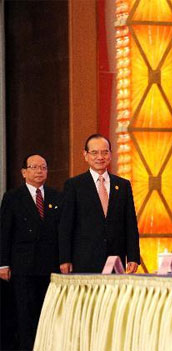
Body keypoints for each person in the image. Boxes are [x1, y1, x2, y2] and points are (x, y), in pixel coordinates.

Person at [0, 154, 61, 351]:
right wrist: (3, 264)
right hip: (23, 267)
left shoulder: (56, 196)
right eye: (33, 167)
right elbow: (4, 232)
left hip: (49, 267)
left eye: (43, 167)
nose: (39, 171)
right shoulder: (12, 197)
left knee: (48, 315)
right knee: (25, 316)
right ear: (24, 172)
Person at [59, 134, 140, 274]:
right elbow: (66, 226)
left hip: (116, 261)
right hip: (84, 260)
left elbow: (130, 224)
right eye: (94, 152)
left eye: (104, 152)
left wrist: (133, 256)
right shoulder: (74, 185)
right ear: (85, 155)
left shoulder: (123, 185)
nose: (100, 157)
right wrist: (64, 259)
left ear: (110, 154)